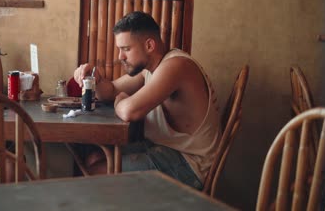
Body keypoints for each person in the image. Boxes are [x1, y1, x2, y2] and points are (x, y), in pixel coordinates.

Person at [73, 11, 221, 189]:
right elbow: (111, 90)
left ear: (149, 45)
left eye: (126, 49)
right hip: (165, 149)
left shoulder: (176, 66)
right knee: (94, 157)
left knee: (95, 172)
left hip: (190, 164)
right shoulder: (150, 69)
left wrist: (120, 100)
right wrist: (93, 80)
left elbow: (130, 111)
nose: (120, 56)